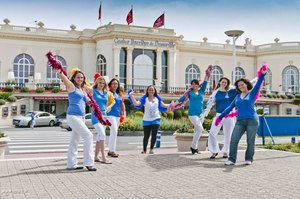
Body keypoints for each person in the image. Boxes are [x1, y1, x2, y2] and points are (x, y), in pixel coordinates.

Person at [215, 65, 267, 166]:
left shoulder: (251, 94)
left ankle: (248, 159)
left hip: (252, 121)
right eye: (239, 86)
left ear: (246, 85)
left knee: (250, 141)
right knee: (234, 140)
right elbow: (229, 108)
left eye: (242, 84)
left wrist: (262, 74)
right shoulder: (237, 97)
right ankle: (231, 160)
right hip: (240, 122)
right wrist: (220, 117)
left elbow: (259, 83)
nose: (241, 86)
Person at [55, 67, 97, 171]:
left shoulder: (82, 90)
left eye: (82, 77)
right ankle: (89, 163)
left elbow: (88, 101)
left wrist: (95, 107)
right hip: (73, 117)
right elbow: (64, 79)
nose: (80, 79)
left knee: (74, 141)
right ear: (74, 78)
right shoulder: (71, 86)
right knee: (89, 136)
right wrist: (60, 72)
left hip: (81, 117)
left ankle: (71, 164)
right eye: (78, 77)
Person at [171, 65, 212, 154]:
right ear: (191, 85)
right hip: (192, 114)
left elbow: (205, 81)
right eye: (192, 84)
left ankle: (194, 147)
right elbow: (181, 99)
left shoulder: (201, 91)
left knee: (198, 131)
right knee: (200, 129)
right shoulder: (189, 93)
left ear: (198, 85)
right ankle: (193, 146)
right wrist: (173, 104)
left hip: (201, 114)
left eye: (195, 84)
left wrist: (208, 72)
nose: (194, 85)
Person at [202, 77, 238, 159]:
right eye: (223, 82)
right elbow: (209, 104)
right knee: (212, 132)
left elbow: (242, 88)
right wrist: (204, 114)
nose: (224, 83)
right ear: (220, 82)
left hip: (229, 115)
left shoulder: (232, 91)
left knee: (228, 134)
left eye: (226, 82)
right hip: (219, 115)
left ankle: (226, 152)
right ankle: (214, 151)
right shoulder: (216, 93)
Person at [128, 85, 169, 154]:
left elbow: (164, 105)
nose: (151, 91)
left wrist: (174, 104)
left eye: (152, 90)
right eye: (149, 90)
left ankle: (151, 149)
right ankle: (144, 150)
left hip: (156, 119)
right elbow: (137, 103)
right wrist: (131, 95)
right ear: (147, 91)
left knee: (154, 135)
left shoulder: (157, 98)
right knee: (146, 136)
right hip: (146, 120)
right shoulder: (144, 98)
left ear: (154, 91)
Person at [88, 73, 114, 164]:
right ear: (97, 83)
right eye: (100, 83)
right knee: (102, 134)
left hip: (104, 116)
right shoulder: (93, 90)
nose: (101, 84)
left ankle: (96, 157)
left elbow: (111, 102)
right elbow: (84, 88)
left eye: (103, 83)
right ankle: (103, 157)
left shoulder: (106, 93)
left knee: (99, 137)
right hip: (96, 116)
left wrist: (109, 107)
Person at [106, 78, 126, 158]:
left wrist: (123, 113)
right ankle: (111, 151)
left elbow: (122, 104)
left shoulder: (118, 95)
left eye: (116, 84)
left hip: (118, 115)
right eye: (113, 83)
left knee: (114, 132)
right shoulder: (108, 93)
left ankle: (111, 150)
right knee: (114, 130)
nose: (115, 85)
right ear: (110, 85)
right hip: (110, 114)